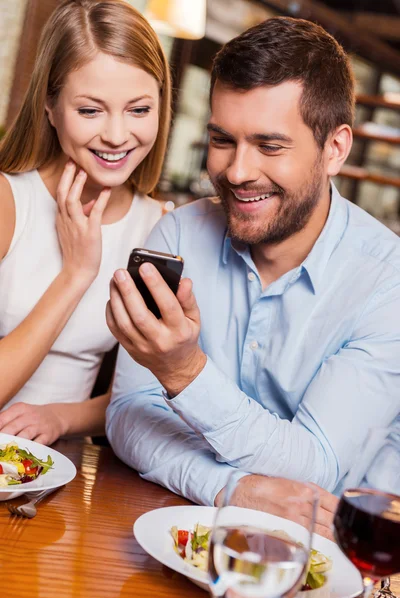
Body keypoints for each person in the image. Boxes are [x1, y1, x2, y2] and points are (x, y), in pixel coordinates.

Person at [105, 17, 400, 537]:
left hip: (332, 556)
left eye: (269, 146)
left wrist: (184, 372)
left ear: (335, 149)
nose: (237, 171)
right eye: (223, 139)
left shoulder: (386, 281)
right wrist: (230, 490)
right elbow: (128, 416)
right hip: (183, 533)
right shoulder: (177, 236)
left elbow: (313, 467)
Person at [0, 0, 171, 445]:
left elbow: (143, 396)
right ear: (50, 106)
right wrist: (76, 274)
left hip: (62, 478)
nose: (116, 136)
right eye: (90, 110)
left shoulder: (160, 227)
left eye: (138, 110)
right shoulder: (7, 200)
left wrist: (61, 418)